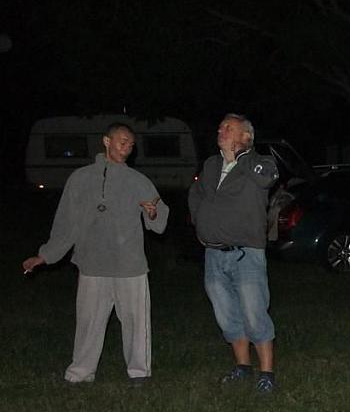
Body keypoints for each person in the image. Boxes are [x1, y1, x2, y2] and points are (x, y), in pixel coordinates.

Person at [22, 123, 168, 384]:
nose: (127, 147)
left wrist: (153, 213)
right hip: (92, 263)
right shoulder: (80, 178)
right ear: (106, 141)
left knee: (136, 322)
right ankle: (80, 373)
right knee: (89, 323)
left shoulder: (138, 180)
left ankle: (139, 373)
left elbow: (159, 222)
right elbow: (66, 222)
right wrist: (45, 255)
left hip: (129, 266)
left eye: (131, 144)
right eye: (122, 141)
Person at [188, 113, 280, 393]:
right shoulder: (211, 164)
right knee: (226, 314)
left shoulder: (260, 163)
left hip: (246, 254)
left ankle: (267, 373)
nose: (221, 131)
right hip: (214, 255)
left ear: (246, 136)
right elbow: (196, 194)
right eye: (220, 128)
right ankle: (242, 366)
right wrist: (200, 221)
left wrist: (242, 155)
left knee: (254, 313)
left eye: (228, 128)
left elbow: (267, 179)